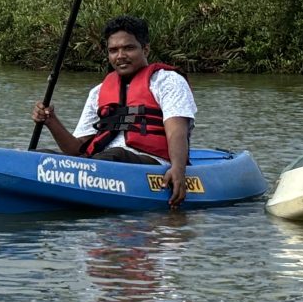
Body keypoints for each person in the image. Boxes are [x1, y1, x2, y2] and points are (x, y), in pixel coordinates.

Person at [31, 15, 194, 209]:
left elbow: (177, 131)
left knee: (115, 154)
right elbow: (77, 149)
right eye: (113, 50)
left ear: (146, 49)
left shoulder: (167, 81)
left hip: (152, 164)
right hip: (101, 163)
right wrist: (51, 121)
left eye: (129, 48)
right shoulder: (99, 92)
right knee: (39, 156)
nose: (120, 56)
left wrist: (178, 168)